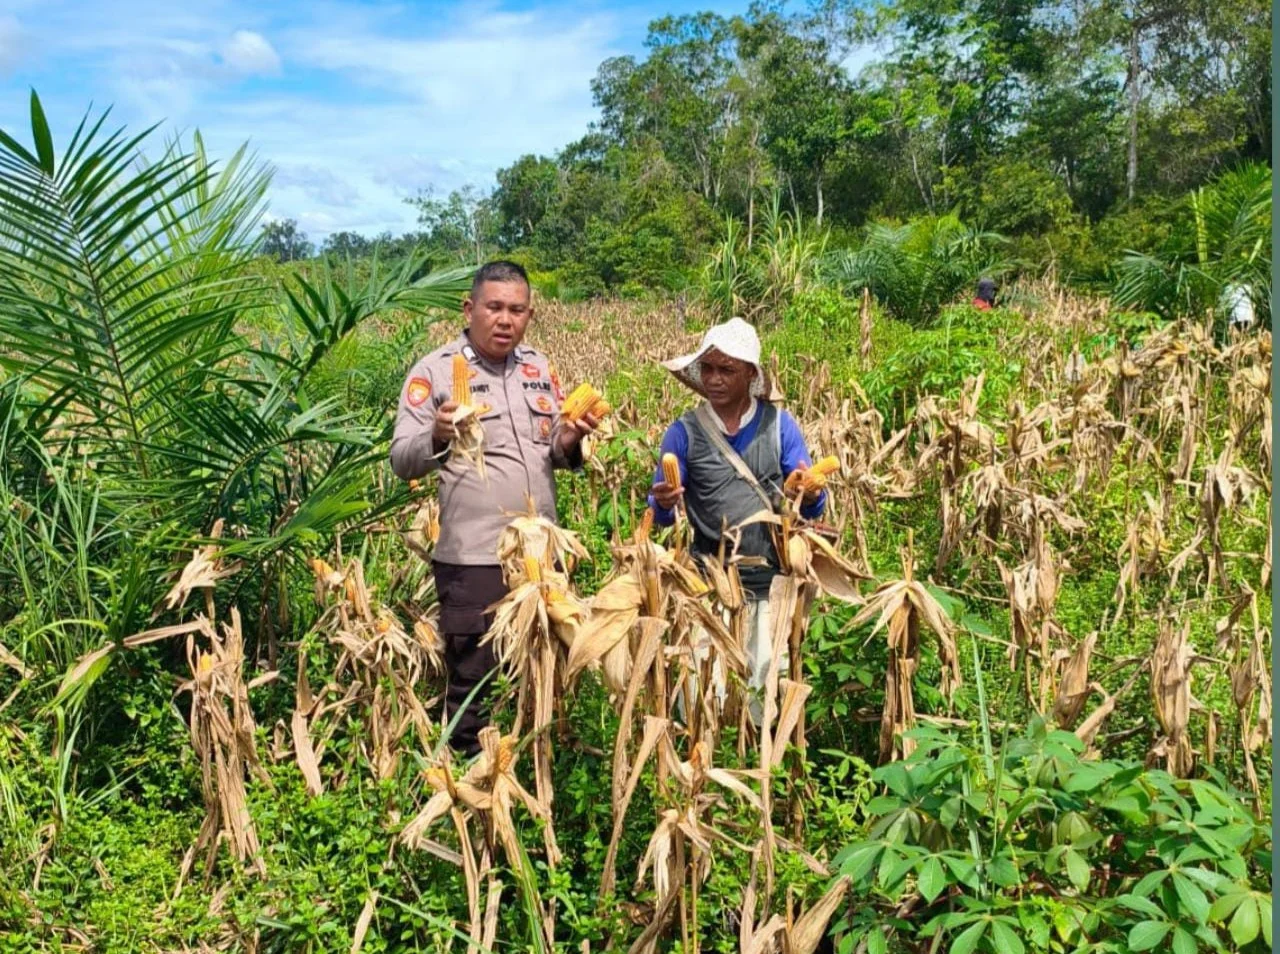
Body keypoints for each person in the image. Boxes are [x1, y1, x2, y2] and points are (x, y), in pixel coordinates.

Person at [390, 260, 598, 757]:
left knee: (542, 672)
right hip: (475, 558)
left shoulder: (538, 368)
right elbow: (402, 460)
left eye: (517, 310)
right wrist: (436, 434)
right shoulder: (435, 371)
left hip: (539, 555)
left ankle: (535, 771)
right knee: (476, 682)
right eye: (494, 307)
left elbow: (555, 451)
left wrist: (571, 437)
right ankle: (471, 780)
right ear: (469, 309)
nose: (505, 319)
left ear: (530, 315)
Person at [648, 317, 826, 722]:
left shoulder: (779, 427)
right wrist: (663, 502)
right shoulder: (684, 432)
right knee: (702, 699)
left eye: (726, 370)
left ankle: (762, 756)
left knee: (764, 699)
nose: (714, 379)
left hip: (769, 588)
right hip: (707, 589)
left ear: (750, 374)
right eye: (708, 368)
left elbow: (811, 506)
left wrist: (812, 494)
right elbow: (661, 514)